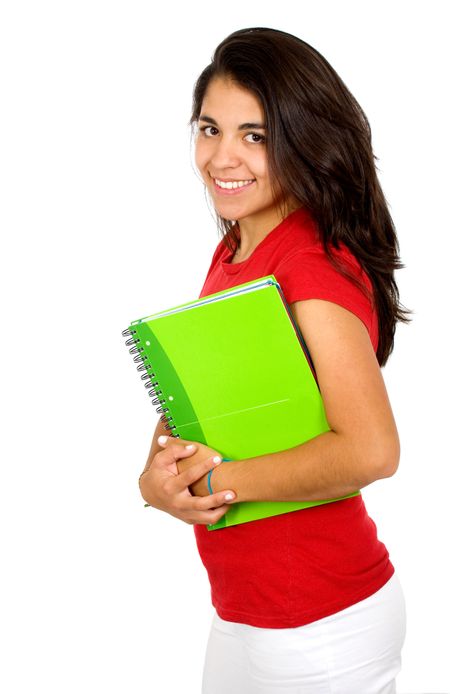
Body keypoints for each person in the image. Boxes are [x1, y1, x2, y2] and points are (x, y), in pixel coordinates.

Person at [138, 27, 410, 694]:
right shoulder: (238, 249)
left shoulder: (309, 267)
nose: (222, 156)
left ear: (303, 139)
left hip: (321, 626)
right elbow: (220, 410)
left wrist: (217, 486)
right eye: (210, 128)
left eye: (255, 136)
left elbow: (373, 450)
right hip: (247, 613)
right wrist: (160, 483)